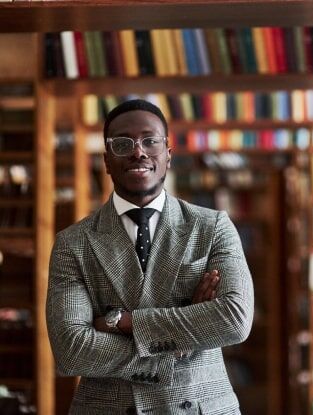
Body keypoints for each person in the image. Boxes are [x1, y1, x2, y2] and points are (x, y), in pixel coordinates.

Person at [46, 98, 254, 415]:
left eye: (150, 140)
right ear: (106, 160)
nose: (138, 151)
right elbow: (71, 349)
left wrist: (122, 323)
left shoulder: (213, 227)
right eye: (123, 143)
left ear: (168, 155)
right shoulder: (73, 243)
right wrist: (183, 340)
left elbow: (234, 319)